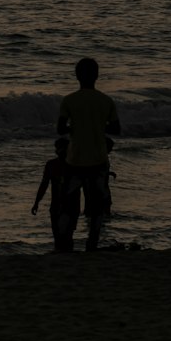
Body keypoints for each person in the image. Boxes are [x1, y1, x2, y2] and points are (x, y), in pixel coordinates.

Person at [56, 57, 121, 252]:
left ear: (76, 76)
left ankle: (65, 242)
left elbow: (60, 129)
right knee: (97, 206)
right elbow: (116, 129)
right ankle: (91, 244)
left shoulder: (69, 100)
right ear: (97, 76)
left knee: (68, 204)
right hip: (98, 159)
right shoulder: (105, 100)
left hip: (74, 159)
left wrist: (75, 127)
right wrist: (98, 126)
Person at [32, 138, 79, 252]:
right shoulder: (51, 165)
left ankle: (66, 256)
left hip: (71, 206)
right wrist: (36, 202)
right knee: (58, 235)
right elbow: (44, 184)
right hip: (56, 206)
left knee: (68, 235)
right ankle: (62, 255)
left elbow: (83, 183)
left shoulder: (75, 165)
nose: (62, 151)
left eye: (64, 149)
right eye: (60, 149)